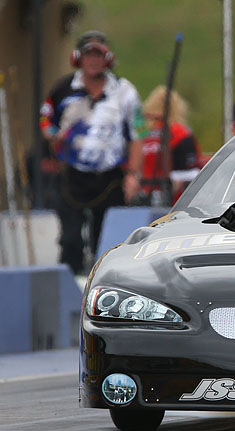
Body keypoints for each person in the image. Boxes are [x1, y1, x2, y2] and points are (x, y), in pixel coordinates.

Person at [40, 30, 146, 274]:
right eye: (88, 55)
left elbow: (138, 133)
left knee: (107, 242)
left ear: (108, 59)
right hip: (72, 176)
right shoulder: (63, 89)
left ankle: (101, 285)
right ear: (78, 58)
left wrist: (134, 175)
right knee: (70, 240)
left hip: (109, 178)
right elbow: (45, 119)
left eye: (98, 55)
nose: (93, 60)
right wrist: (53, 134)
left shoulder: (125, 91)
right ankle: (71, 284)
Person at [140, 86, 202, 205]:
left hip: (144, 198)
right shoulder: (179, 132)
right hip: (173, 201)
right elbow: (190, 172)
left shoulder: (143, 134)